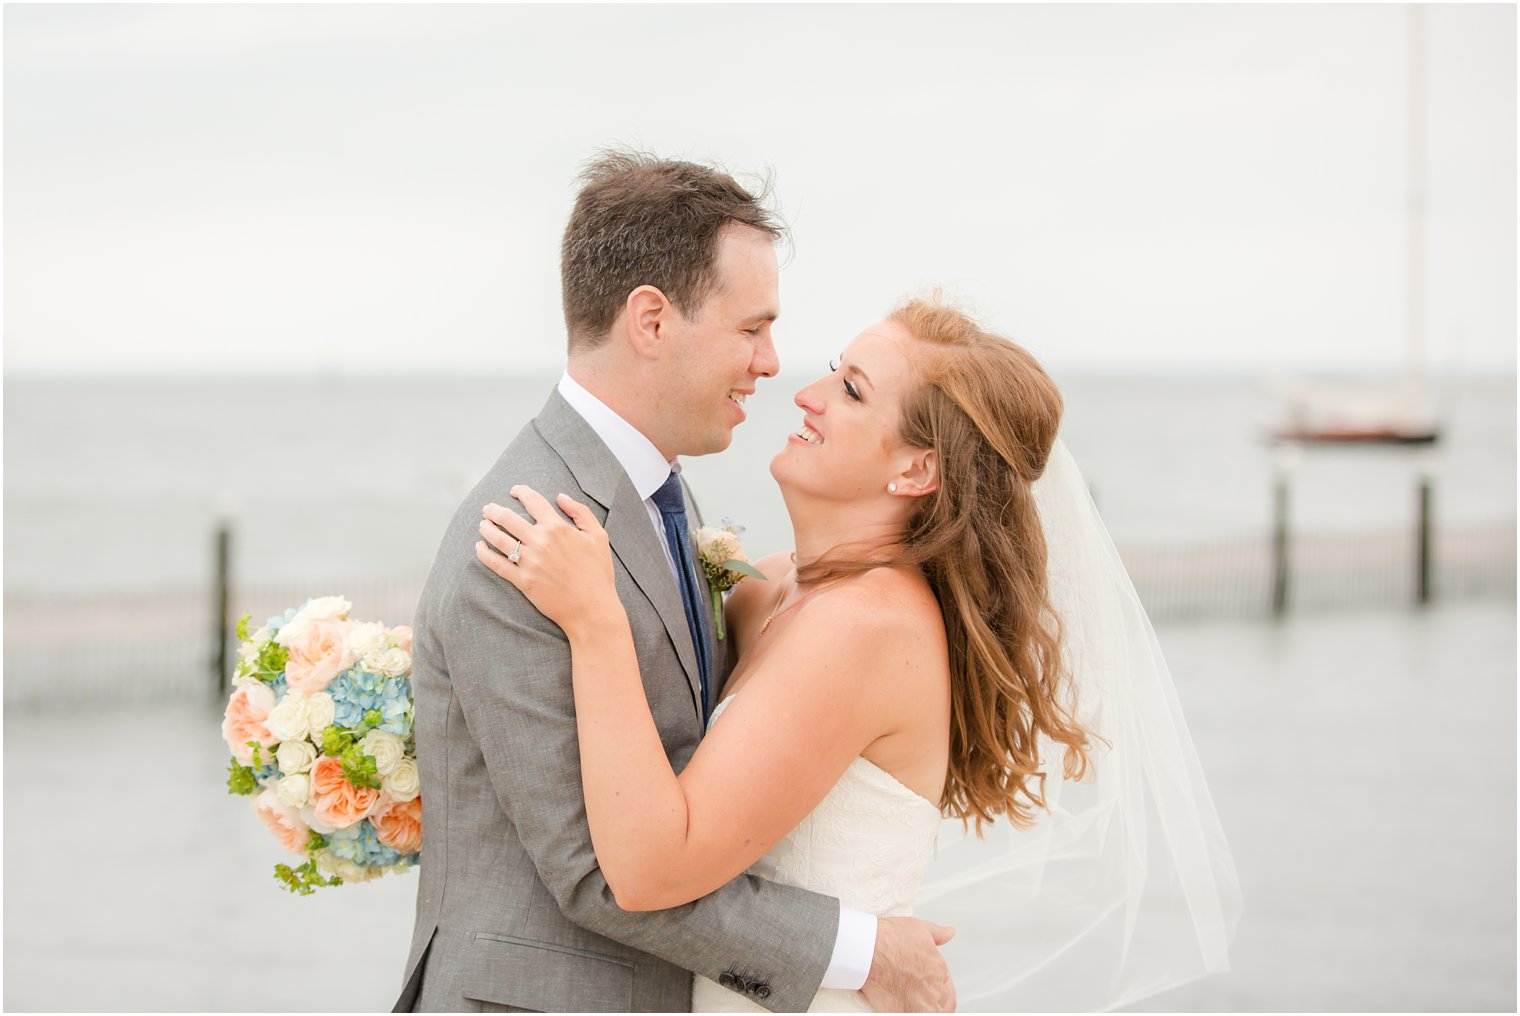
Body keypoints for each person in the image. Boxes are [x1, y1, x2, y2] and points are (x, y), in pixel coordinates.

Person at [475, 299, 1244, 1012]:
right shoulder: (776, 587)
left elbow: (652, 868)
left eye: (851, 390)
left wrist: (595, 621)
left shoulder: (867, 627)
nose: (807, 393)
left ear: (916, 471)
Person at [394, 152, 956, 1014]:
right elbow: (596, 873)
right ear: (651, 321)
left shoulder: (659, 496)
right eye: (750, 329)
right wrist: (859, 952)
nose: (772, 364)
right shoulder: (525, 543)